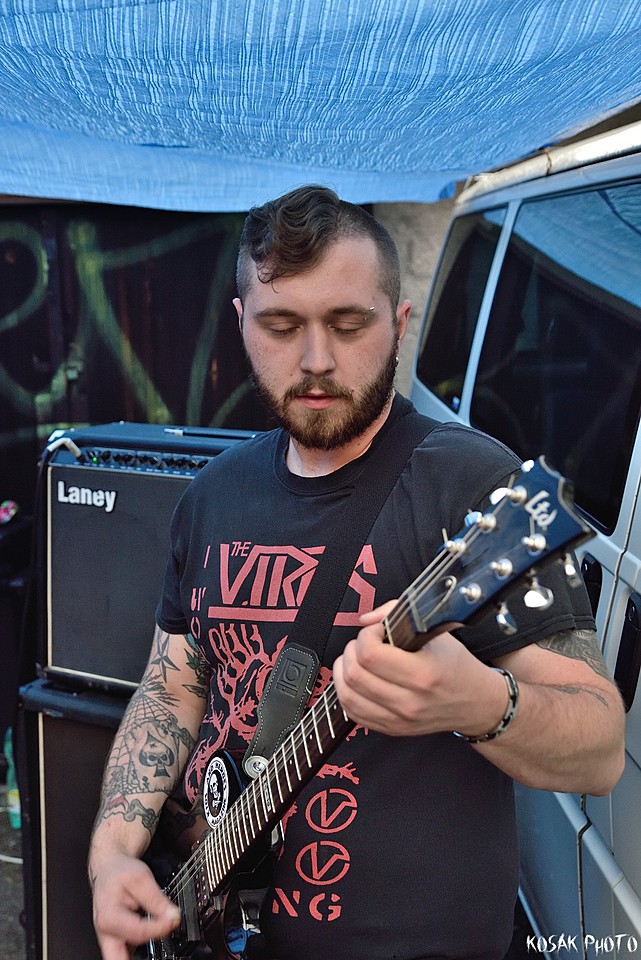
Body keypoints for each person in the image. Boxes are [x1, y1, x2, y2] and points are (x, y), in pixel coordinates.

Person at [88, 185, 625, 960]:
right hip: (217, 909)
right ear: (241, 324)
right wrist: (112, 855)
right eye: (281, 326)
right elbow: (174, 685)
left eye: (348, 325)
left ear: (398, 323)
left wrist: (479, 702)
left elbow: (599, 748)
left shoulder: (474, 485)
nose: (316, 360)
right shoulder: (211, 495)